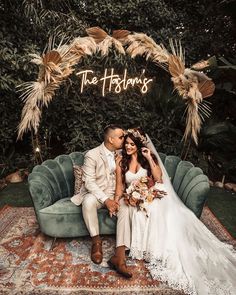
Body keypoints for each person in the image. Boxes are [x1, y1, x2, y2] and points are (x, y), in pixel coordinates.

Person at [109, 127, 236, 295]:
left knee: (153, 210)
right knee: (130, 208)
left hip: (151, 194)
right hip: (133, 196)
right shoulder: (121, 162)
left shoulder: (148, 158)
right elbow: (119, 187)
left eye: (132, 144)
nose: (128, 147)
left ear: (139, 145)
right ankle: (120, 257)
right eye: (126, 144)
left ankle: (146, 249)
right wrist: (115, 202)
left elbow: (159, 178)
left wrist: (149, 157)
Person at [71, 124, 124, 264]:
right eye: (121, 137)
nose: (124, 140)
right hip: (97, 194)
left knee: (132, 207)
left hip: (117, 193)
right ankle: (96, 242)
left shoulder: (124, 153)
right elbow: (89, 182)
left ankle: (127, 246)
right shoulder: (92, 155)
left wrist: (118, 198)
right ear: (111, 140)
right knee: (88, 201)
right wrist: (106, 200)